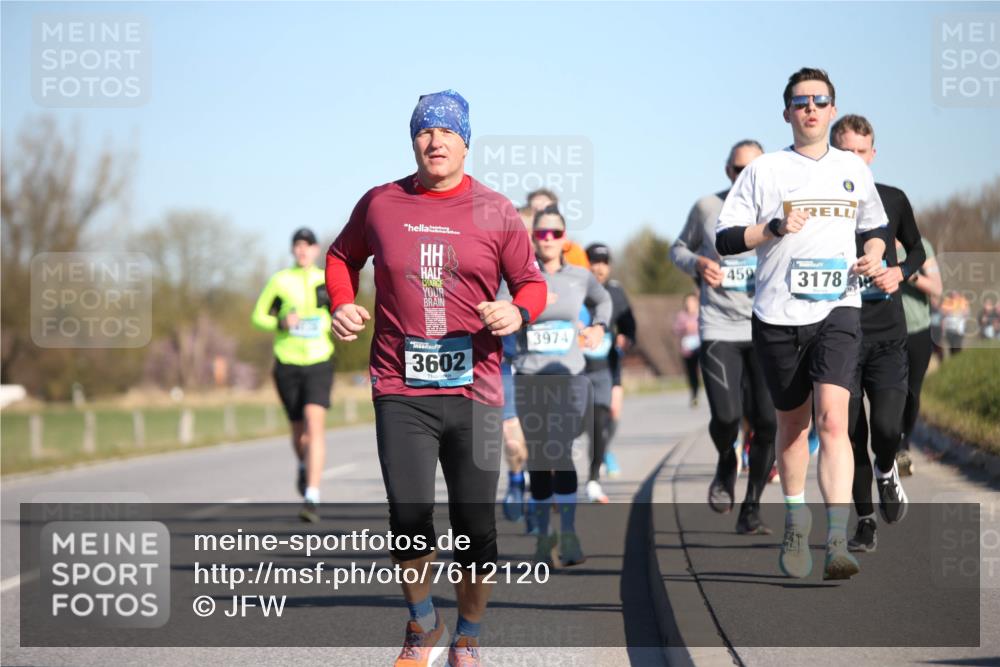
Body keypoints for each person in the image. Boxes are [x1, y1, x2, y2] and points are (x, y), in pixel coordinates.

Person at [325, 90, 547, 667]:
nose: (436, 141)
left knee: (475, 524)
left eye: (447, 132)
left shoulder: (496, 212)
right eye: (425, 131)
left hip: (476, 389)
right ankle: (423, 622)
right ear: (413, 140)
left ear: (466, 141)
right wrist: (342, 302)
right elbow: (340, 256)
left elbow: (531, 283)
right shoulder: (380, 203)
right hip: (400, 386)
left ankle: (468, 635)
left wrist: (518, 311)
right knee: (408, 513)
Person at [715, 67, 889, 580]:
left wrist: (874, 255)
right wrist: (770, 228)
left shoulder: (853, 168)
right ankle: (796, 518)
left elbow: (874, 227)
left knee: (835, 420)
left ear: (832, 109)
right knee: (793, 427)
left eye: (820, 100)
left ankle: (837, 538)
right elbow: (726, 238)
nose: (810, 108)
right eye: (800, 101)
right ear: (787, 111)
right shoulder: (764, 171)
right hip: (777, 313)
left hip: (839, 306)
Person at [670, 139, 778, 534]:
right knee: (727, 415)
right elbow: (676, 250)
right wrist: (698, 263)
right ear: (727, 171)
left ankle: (751, 508)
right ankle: (725, 461)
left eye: (752, 169)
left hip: (768, 326)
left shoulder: (780, 210)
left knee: (767, 422)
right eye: (737, 170)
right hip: (718, 326)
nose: (743, 177)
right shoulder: (707, 208)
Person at [830, 114, 926, 553]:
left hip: (887, 335)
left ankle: (887, 470)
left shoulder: (893, 199)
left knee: (887, 426)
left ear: (873, 154)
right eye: (845, 151)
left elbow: (918, 249)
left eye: (861, 152)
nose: (854, 159)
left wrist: (899, 272)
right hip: (838, 337)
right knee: (849, 436)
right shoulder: (818, 206)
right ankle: (864, 520)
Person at [512, 205, 611, 566]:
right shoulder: (518, 277)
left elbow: (604, 301)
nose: (548, 239)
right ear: (533, 238)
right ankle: (542, 536)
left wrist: (599, 326)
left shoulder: (580, 277)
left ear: (565, 239)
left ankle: (568, 533)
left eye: (555, 233)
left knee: (561, 449)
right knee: (539, 457)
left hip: (568, 377)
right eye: (542, 233)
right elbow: (499, 311)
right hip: (529, 376)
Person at [251, 227, 334, 523]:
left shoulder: (325, 279)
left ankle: (312, 495)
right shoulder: (280, 281)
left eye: (308, 245)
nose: (303, 250)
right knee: (299, 431)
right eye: (298, 245)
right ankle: (303, 466)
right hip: (287, 362)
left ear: (315, 250)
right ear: (293, 250)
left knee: (315, 424)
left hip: (319, 359)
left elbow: (340, 309)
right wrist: (281, 321)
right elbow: (258, 316)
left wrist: (331, 320)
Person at [581, 242, 637, 502]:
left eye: (603, 262)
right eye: (593, 261)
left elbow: (629, 324)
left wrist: (626, 337)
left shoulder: (615, 293)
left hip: (606, 370)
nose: (598, 267)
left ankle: (593, 478)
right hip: (575, 371)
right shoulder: (575, 290)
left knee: (603, 421)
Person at [896, 235, 941, 475]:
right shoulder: (871, 244)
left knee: (912, 393)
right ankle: (892, 445)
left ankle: (903, 443)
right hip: (887, 333)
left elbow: (937, 288)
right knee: (892, 392)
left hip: (918, 331)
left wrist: (908, 274)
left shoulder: (921, 246)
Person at [526, 188, 590, 268]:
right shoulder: (516, 248)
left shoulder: (573, 252)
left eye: (547, 210)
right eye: (535, 210)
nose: (540, 215)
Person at [673, 293, 701, 407]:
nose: (689, 304)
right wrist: (685, 328)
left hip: (701, 348)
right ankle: (694, 394)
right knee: (692, 373)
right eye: (687, 302)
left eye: (692, 302)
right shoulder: (681, 316)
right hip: (687, 350)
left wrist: (696, 328)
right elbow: (675, 329)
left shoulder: (701, 314)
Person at [940, 290, 970, 355]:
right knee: (951, 345)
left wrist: (960, 312)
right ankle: (953, 358)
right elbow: (943, 314)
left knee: (958, 344)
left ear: (958, 295)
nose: (954, 296)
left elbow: (967, 312)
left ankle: (959, 358)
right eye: (952, 295)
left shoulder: (962, 301)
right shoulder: (947, 302)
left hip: (959, 329)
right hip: (949, 329)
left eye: (955, 295)